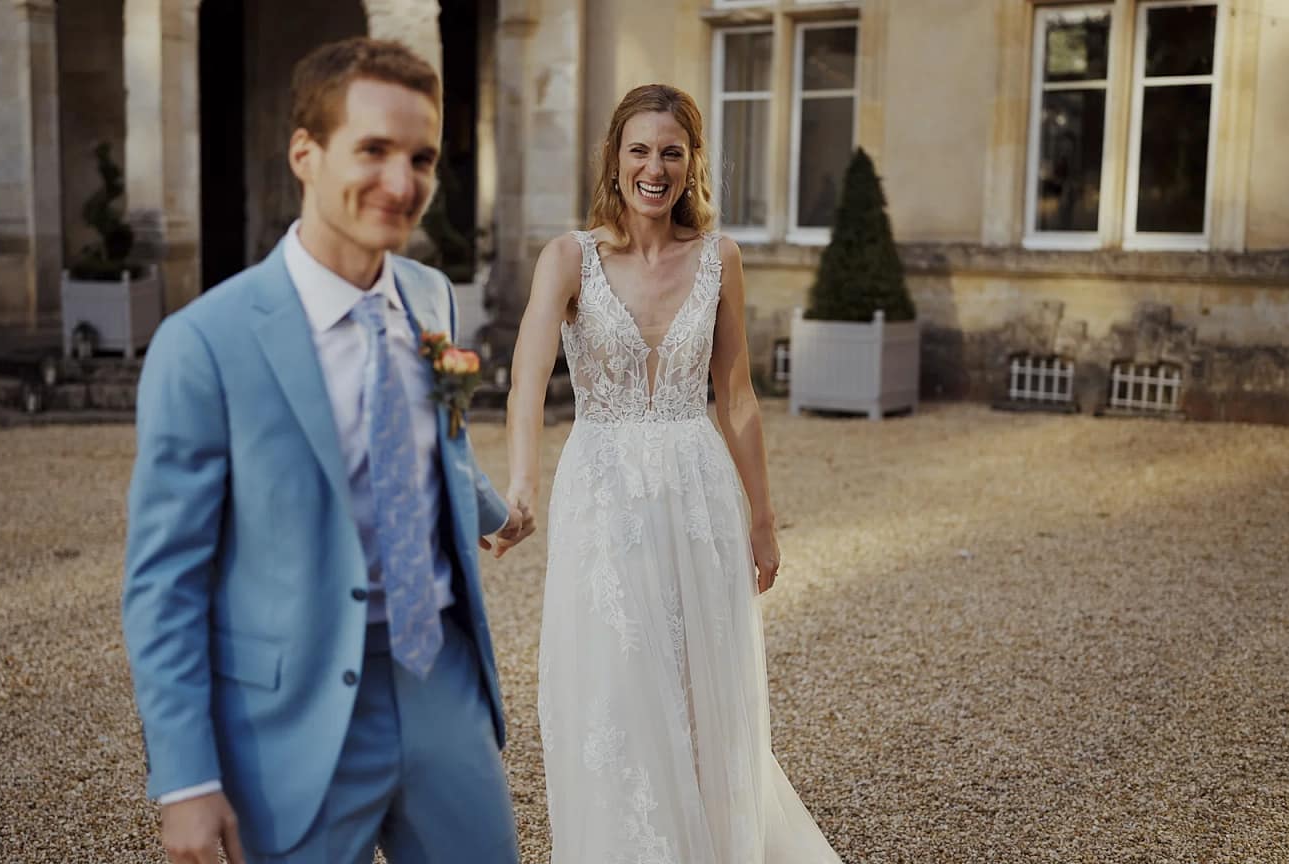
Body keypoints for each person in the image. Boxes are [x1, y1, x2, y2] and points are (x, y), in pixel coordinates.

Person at [123, 37, 531, 864]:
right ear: (305, 154)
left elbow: (433, 446)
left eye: (420, 156)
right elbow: (163, 582)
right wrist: (186, 782)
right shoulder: (204, 343)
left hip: (441, 678)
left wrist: (494, 508)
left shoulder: (430, 297)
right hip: (294, 716)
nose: (402, 182)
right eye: (374, 150)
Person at [504, 83, 844, 863]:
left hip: (699, 493)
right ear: (614, 160)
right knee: (616, 685)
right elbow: (526, 381)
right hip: (603, 492)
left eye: (670, 152)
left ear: (691, 164)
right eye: (638, 151)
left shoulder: (719, 257)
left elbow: (739, 398)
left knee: (701, 689)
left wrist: (763, 519)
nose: (653, 168)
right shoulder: (568, 259)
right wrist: (521, 486)